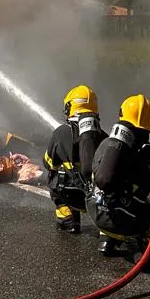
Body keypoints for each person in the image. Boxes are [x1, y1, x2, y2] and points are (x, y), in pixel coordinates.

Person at [87, 94, 150, 271]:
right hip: (127, 222)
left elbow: (94, 175)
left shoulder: (106, 145)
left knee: (115, 202)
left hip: (95, 212)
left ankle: (107, 240)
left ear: (121, 115)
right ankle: (141, 248)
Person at [43, 84, 107, 233]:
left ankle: (67, 218)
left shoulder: (60, 132)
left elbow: (48, 163)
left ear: (69, 108)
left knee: (53, 174)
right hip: (98, 200)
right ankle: (106, 227)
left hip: (71, 194)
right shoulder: (103, 136)